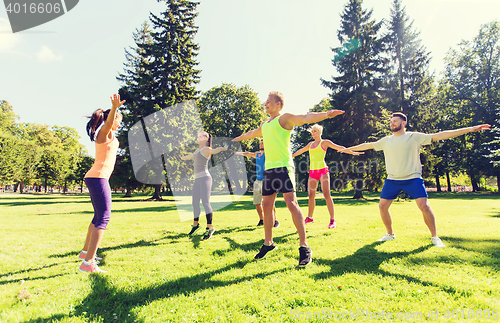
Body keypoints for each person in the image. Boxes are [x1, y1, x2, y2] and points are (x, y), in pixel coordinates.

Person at [341, 112, 490, 247]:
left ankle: (434, 237)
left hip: (413, 178)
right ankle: (390, 234)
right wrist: (348, 149)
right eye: (391, 121)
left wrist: (470, 129)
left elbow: (441, 135)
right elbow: (367, 145)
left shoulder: (414, 137)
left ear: (403, 123)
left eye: (395, 121)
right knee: (382, 206)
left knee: (424, 206)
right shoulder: (386, 141)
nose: (392, 123)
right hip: (392, 180)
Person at [233, 91, 344, 266]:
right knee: (267, 205)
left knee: (291, 204)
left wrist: (326, 114)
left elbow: (305, 117)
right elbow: (253, 133)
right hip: (269, 169)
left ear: (279, 104)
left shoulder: (284, 119)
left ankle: (304, 246)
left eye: (269, 102)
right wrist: (240, 138)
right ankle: (268, 243)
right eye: (266, 101)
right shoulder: (265, 125)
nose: (265, 104)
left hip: (284, 167)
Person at [79, 94, 124, 273]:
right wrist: (114, 109)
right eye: (118, 120)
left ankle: (85, 253)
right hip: (98, 178)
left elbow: (110, 124)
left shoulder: (109, 135)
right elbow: (109, 123)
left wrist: (114, 111)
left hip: (96, 177)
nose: (120, 124)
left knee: (98, 217)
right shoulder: (103, 133)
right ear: (110, 119)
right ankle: (88, 263)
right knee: (104, 217)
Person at [292, 124, 363, 228]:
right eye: (312, 131)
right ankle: (310, 218)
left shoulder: (325, 142)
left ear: (320, 132)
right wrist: (291, 156)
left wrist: (351, 152)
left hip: (322, 171)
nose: (313, 133)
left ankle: (332, 220)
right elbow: (300, 151)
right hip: (312, 172)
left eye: (315, 131)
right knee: (311, 195)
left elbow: (339, 147)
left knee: (326, 194)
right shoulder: (310, 144)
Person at [181, 131, 227, 240]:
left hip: (205, 178)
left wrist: (221, 148)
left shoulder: (206, 149)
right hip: (197, 179)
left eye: (202, 135)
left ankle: (209, 228)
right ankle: (196, 225)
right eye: (198, 136)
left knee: (205, 202)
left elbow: (214, 151)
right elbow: (191, 156)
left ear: (206, 139)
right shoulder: (197, 150)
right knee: (195, 202)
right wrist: (182, 158)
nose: (198, 137)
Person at [235, 139, 279, 227]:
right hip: (257, 181)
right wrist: (238, 153)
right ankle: (261, 219)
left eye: (263, 143)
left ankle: (275, 220)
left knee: (269, 202)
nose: (261, 144)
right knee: (257, 202)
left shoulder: (269, 154)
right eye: (260, 143)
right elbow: (248, 153)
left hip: (267, 181)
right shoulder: (257, 154)